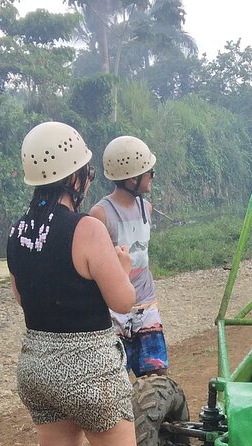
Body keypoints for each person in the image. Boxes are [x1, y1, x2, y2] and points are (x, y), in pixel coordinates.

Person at [6, 122, 137, 445]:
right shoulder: (87, 229)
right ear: (73, 177)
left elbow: (23, 298)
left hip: (36, 371)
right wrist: (121, 268)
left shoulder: (17, 232)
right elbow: (122, 301)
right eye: (88, 173)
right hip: (90, 373)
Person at [90, 135, 169, 377]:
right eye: (149, 172)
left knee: (157, 373)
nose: (152, 176)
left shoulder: (146, 208)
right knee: (117, 379)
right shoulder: (100, 214)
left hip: (146, 304)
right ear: (133, 178)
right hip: (114, 312)